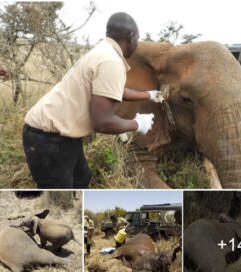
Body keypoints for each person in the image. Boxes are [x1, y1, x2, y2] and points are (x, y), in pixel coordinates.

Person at [22, 12, 163, 188]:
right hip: (47, 139)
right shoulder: (110, 61)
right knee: (60, 192)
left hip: (63, 135)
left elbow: (114, 90)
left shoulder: (103, 51)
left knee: (82, 179)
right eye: (138, 38)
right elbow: (102, 123)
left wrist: (148, 94)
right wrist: (137, 124)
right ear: (131, 37)